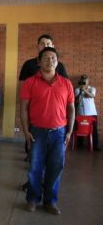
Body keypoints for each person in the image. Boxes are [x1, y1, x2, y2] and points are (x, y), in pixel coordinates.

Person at [20, 47, 75, 215]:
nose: (49, 60)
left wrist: (69, 132)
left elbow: (71, 109)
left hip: (59, 133)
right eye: (46, 57)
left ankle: (50, 201)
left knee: (56, 167)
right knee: (35, 167)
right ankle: (32, 199)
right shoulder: (30, 82)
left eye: (53, 58)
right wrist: (26, 132)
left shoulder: (66, 83)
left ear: (57, 62)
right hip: (37, 132)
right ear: (39, 61)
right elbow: (23, 108)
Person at [74, 74, 99, 151]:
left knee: (94, 130)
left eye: (85, 80)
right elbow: (76, 97)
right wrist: (80, 90)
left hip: (92, 113)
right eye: (82, 80)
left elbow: (92, 96)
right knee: (79, 128)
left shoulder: (92, 88)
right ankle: (79, 145)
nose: (84, 82)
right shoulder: (77, 89)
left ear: (88, 81)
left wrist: (84, 90)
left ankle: (95, 146)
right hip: (80, 113)